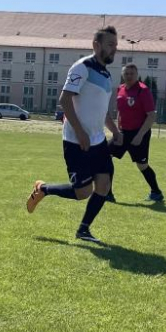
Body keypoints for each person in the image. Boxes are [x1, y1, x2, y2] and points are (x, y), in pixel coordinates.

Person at [26, 26, 121, 244]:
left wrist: (114, 130)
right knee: (82, 192)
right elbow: (65, 100)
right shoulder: (82, 67)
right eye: (110, 44)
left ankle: (84, 230)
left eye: (115, 45)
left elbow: (101, 109)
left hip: (97, 141)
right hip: (76, 141)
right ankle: (43, 189)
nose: (114, 49)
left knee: (104, 185)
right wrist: (80, 132)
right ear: (96, 45)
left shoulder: (106, 74)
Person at [108, 63, 164, 202]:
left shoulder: (143, 91)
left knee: (142, 165)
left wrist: (139, 136)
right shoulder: (120, 89)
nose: (129, 76)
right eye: (126, 73)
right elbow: (119, 112)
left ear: (137, 75)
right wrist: (117, 131)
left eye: (132, 73)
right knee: (105, 156)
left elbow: (151, 115)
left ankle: (156, 192)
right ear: (122, 75)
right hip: (122, 133)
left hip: (139, 133)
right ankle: (107, 193)